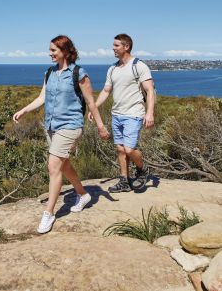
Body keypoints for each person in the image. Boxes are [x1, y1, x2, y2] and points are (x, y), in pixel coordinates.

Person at [13, 35, 110, 234]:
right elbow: (42, 97)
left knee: (53, 165)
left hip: (71, 126)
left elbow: (91, 102)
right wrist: (24, 110)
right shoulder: (49, 72)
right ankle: (83, 194)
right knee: (63, 164)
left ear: (65, 51)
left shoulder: (79, 73)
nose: (50, 53)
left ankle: (49, 213)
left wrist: (100, 126)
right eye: (50, 50)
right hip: (51, 125)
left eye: (53, 50)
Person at [91, 34, 155, 193]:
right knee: (120, 149)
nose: (113, 48)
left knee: (128, 149)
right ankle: (124, 181)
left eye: (116, 45)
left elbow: (150, 90)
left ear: (126, 47)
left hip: (134, 114)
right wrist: (95, 107)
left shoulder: (139, 65)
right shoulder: (112, 69)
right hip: (117, 114)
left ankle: (142, 168)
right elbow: (106, 91)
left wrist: (150, 113)